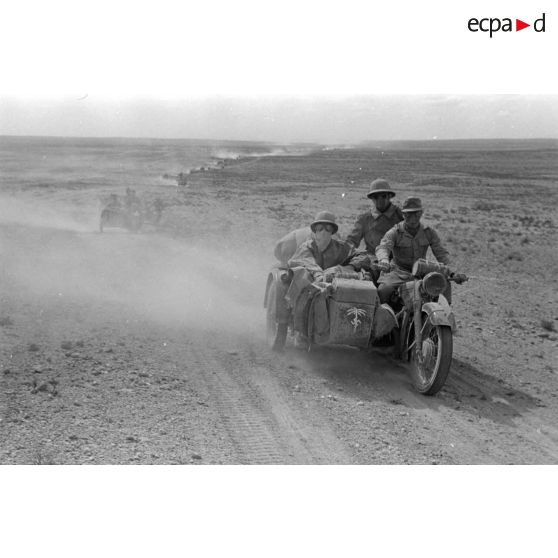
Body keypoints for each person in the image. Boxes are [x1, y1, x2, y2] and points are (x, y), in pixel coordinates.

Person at [375, 196, 464, 304]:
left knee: (443, 282)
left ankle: (443, 316)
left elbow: (442, 254)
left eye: (416, 214)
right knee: (383, 290)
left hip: (422, 271)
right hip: (399, 272)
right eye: (408, 215)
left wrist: (454, 273)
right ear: (403, 214)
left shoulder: (428, 232)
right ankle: (386, 318)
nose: (412, 219)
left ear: (421, 213)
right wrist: (384, 260)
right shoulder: (395, 232)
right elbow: (383, 247)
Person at [345, 178, 404, 280]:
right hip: (371, 261)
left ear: (389, 196)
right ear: (371, 198)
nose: (380, 200)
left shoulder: (401, 216)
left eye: (384, 196)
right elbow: (351, 241)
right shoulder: (365, 218)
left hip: (397, 262)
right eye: (375, 197)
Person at [288, 211, 355, 283]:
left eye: (328, 228)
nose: (323, 232)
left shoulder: (342, 247)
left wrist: (349, 267)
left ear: (332, 231)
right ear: (315, 231)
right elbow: (305, 261)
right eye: (320, 228)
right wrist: (318, 274)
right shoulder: (307, 247)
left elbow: (363, 256)